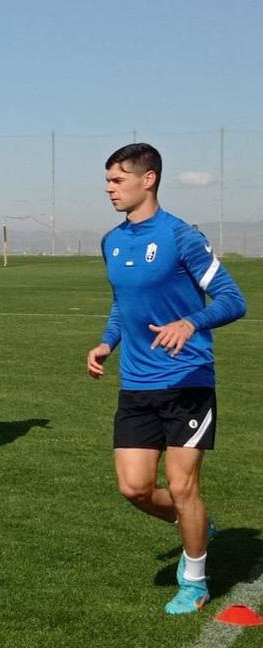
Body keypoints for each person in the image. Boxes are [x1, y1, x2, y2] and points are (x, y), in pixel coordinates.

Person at [87, 143, 246, 615]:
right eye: (108, 181)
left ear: (148, 178)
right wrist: (106, 343)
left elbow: (232, 298)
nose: (109, 189)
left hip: (187, 381)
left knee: (182, 486)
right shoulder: (111, 241)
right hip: (136, 383)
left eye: (117, 180)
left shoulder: (181, 237)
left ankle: (194, 580)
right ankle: (197, 523)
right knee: (133, 488)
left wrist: (191, 323)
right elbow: (123, 302)